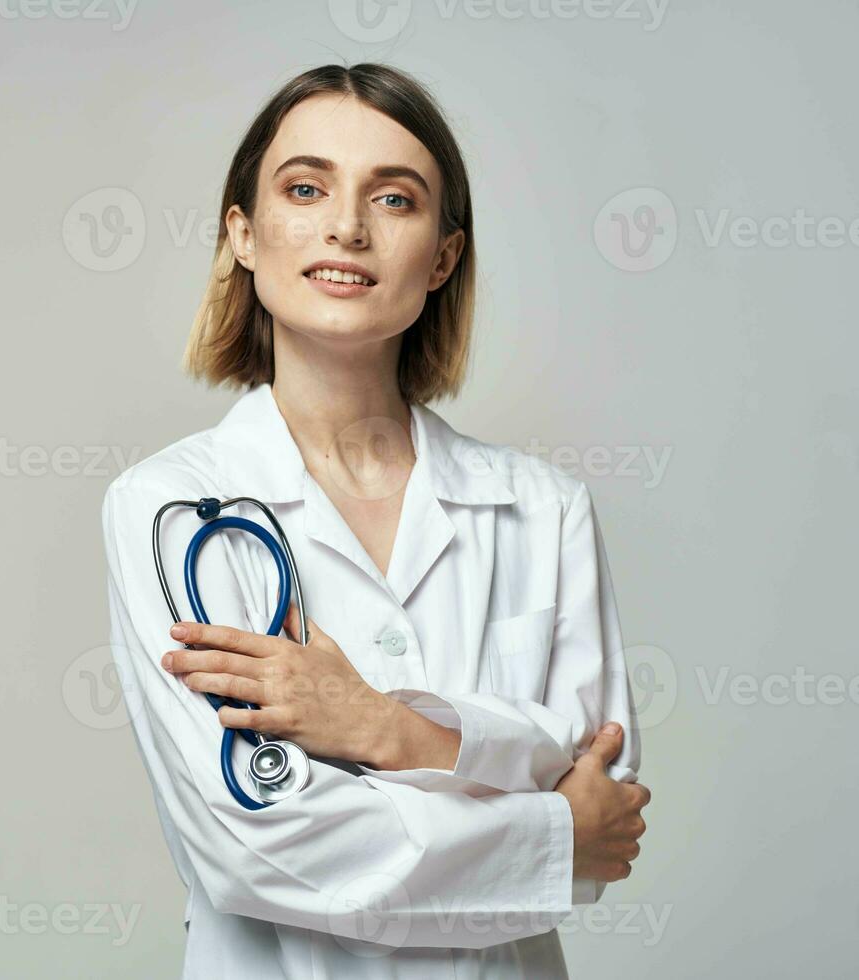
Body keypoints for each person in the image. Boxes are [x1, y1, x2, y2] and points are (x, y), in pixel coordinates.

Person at [99, 63, 651, 978]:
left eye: (393, 199)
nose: (346, 227)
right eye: (305, 188)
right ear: (242, 232)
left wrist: (378, 727)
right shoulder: (168, 508)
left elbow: (604, 803)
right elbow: (256, 848)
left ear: (441, 256)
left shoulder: (541, 510)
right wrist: (540, 834)